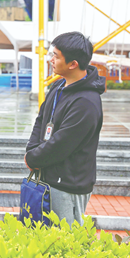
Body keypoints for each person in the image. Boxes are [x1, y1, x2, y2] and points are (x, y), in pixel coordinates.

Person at [24, 31, 105, 226]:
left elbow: (63, 142)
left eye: (56, 56)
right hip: (47, 176)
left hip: (68, 183)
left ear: (73, 64)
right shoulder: (58, 86)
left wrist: (33, 158)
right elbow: (41, 120)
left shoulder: (86, 101)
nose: (50, 59)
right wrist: (31, 150)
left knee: (63, 241)